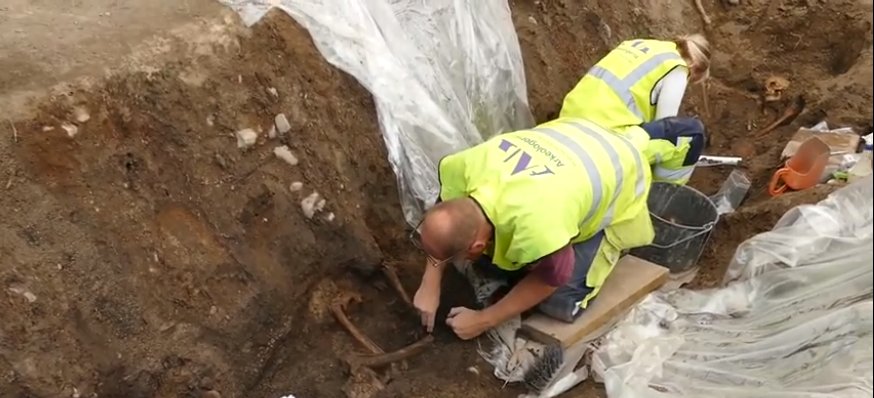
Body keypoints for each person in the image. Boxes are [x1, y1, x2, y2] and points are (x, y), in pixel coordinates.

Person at [411, 117, 655, 340]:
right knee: (495, 263)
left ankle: (604, 249)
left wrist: (483, 320)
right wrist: (430, 281)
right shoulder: (464, 168)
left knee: (559, 303)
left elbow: (552, 279)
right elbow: (443, 217)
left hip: (623, 170)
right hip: (575, 138)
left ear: (477, 245)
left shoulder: (539, 229)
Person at [560, 34, 711, 185]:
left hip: (568, 120)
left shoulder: (641, 46)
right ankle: (660, 196)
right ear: (695, 67)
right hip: (603, 139)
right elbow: (666, 126)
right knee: (690, 136)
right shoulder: (677, 68)